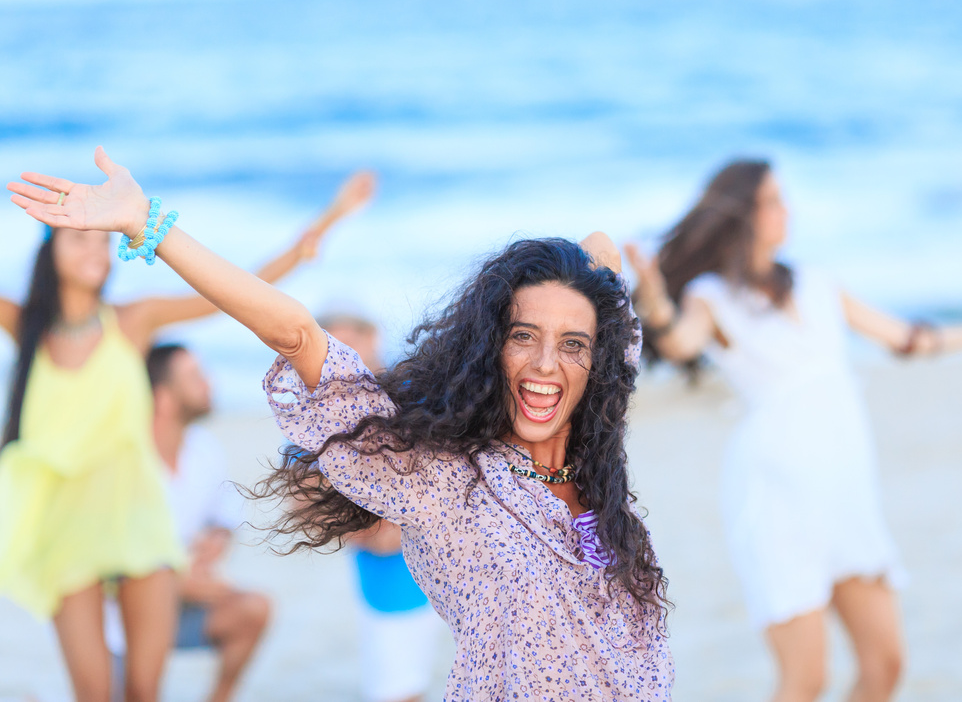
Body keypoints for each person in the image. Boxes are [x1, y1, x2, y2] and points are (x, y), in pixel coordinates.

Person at [8, 147, 674, 700]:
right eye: (521, 336)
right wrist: (145, 222)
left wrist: (569, 290)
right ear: (487, 348)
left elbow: (599, 249)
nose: (544, 364)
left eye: (571, 344)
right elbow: (297, 333)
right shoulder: (442, 476)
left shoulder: (592, 444)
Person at [624, 159, 962, 702]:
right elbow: (680, 343)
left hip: (845, 498)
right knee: (807, 681)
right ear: (742, 214)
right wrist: (655, 294)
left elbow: (906, 340)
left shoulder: (818, 283)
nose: (787, 211)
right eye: (773, 201)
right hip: (776, 498)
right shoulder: (712, 295)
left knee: (886, 664)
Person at [0, 164, 374, 702]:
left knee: (145, 692)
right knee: (93, 695)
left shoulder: (132, 322)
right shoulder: (28, 329)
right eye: (78, 239)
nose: (95, 252)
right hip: (66, 534)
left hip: (137, 523)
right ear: (49, 253)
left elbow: (238, 289)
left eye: (102, 242)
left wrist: (331, 217)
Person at [104, 344, 272, 702]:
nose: (209, 383)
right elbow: (104, 562)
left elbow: (227, 514)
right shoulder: (123, 462)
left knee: (255, 609)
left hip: (185, 609)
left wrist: (218, 538)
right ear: (163, 398)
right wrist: (176, 584)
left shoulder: (204, 448)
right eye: (195, 377)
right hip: (122, 626)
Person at [317, 312, 444, 702]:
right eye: (327, 353)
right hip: (395, 581)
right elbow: (369, 535)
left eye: (345, 346)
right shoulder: (317, 418)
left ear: (374, 336)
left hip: (470, 566)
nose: (339, 361)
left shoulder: (420, 389)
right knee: (401, 691)